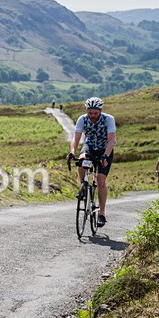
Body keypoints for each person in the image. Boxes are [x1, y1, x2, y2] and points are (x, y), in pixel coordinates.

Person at [67, 97, 116, 227]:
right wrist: (72, 152)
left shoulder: (108, 119)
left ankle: (102, 213)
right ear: (86, 111)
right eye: (90, 113)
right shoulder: (82, 119)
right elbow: (76, 138)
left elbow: (111, 140)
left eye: (95, 113)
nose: (92, 116)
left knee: (100, 180)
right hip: (90, 146)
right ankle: (83, 185)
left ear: (100, 111)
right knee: (82, 160)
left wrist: (105, 155)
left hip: (105, 149)